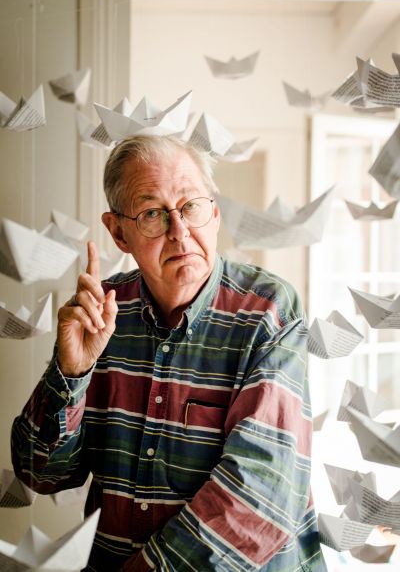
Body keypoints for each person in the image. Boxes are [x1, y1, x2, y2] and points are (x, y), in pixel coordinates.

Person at [11, 135, 326, 571]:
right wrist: (71, 373)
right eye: (154, 213)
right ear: (118, 231)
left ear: (214, 212)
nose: (181, 232)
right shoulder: (102, 311)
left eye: (191, 206)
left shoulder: (268, 310)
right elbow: (40, 473)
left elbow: (263, 496)